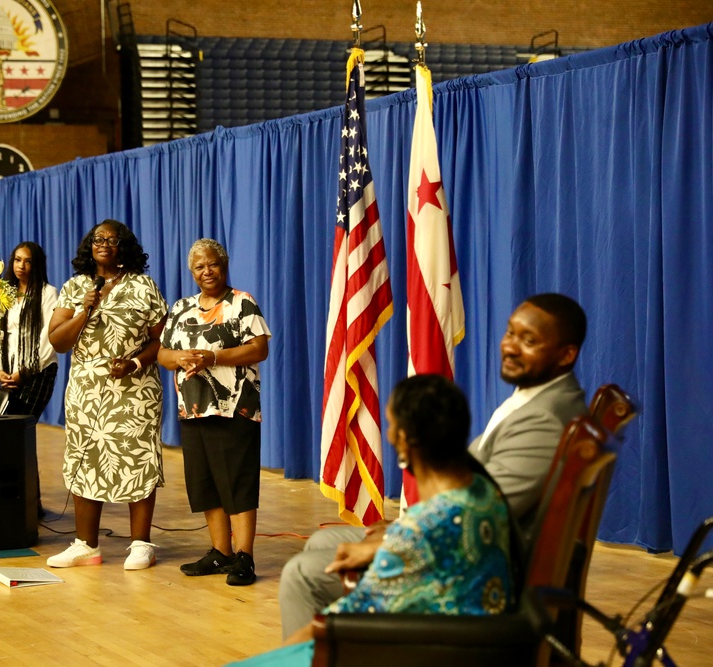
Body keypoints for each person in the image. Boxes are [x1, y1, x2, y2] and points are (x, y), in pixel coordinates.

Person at [278, 292, 587, 638]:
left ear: (566, 354)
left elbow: (477, 513)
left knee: (303, 574)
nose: (510, 346)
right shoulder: (540, 396)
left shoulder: (544, 419)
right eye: (511, 333)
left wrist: (397, 538)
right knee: (324, 542)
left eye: (528, 340)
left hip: (476, 570)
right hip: (467, 539)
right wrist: (405, 526)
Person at [236, 374, 514, 666]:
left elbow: (334, 624)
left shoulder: (419, 531)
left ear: (405, 440)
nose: (390, 434)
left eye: (392, 425)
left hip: (419, 648)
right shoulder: (484, 492)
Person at [46, 220, 167, 570]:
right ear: (90, 245)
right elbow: (58, 341)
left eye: (113, 240)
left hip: (136, 387)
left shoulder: (143, 287)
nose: (104, 244)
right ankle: (86, 545)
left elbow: (163, 340)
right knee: (86, 457)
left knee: (138, 457)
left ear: (123, 247)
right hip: (87, 388)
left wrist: (134, 363)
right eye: (99, 239)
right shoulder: (76, 287)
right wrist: (86, 310)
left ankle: (141, 543)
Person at [157, 238, 271, 586]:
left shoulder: (242, 303)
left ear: (224, 264)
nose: (207, 272)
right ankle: (220, 552)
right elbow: (163, 354)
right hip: (194, 408)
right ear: (192, 272)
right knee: (205, 483)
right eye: (199, 267)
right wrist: (180, 358)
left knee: (237, 482)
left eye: (213, 264)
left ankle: (244, 557)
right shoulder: (181, 308)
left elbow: (259, 349)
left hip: (236, 408)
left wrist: (213, 357)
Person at [0, 241, 59, 418]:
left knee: (21, 425)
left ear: (36, 265)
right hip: (10, 369)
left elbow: (48, 337)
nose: (21, 266)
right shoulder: (5, 293)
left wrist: (25, 371)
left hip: (39, 370)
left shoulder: (48, 293)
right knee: (8, 426)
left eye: (28, 261)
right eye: (17, 260)